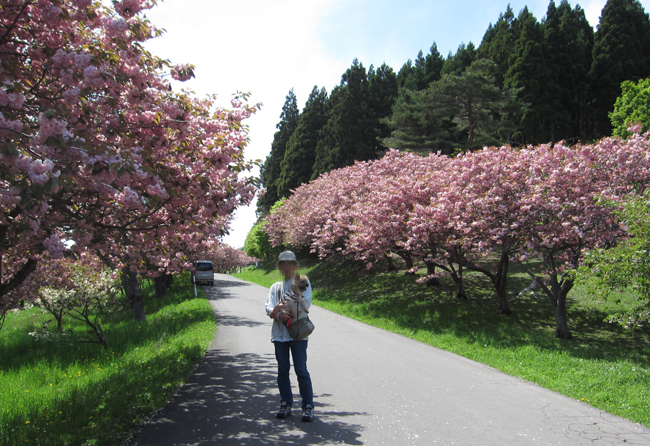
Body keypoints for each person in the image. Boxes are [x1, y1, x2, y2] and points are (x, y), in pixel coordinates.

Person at [265, 250, 314, 422]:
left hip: (298, 334)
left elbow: (306, 304)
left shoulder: (302, 282)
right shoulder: (274, 287)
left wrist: (283, 308)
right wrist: (278, 315)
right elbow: (268, 309)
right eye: (283, 263)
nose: (286, 266)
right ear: (279, 266)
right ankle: (285, 403)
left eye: (290, 263)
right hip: (279, 335)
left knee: (301, 369)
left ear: (294, 265)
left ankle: (308, 406)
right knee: (283, 370)